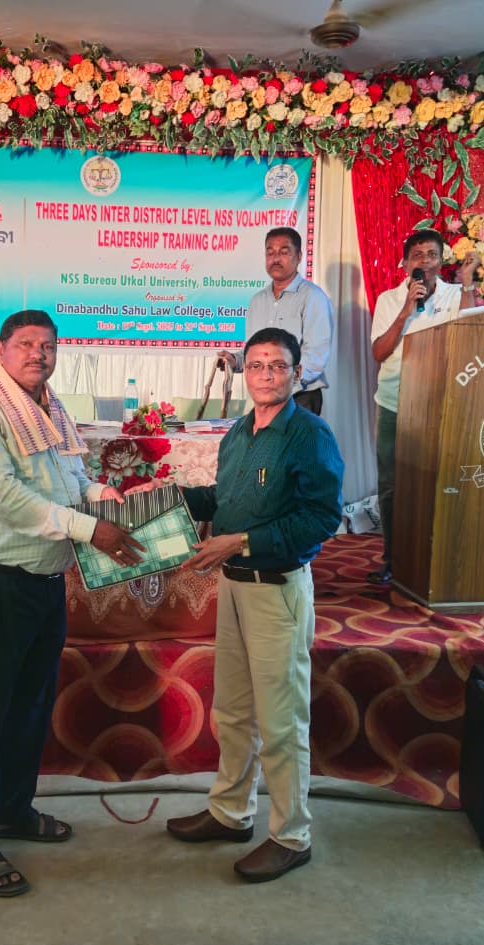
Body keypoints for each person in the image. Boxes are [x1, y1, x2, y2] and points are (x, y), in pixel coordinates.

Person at [0, 309, 144, 898]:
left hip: (44, 581)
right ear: (1, 349)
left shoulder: (49, 408)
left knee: (29, 709)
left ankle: (13, 810)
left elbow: (69, 480)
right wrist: (90, 529)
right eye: (26, 344)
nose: (38, 354)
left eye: (49, 346)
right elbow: (6, 498)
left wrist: (101, 494)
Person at [167, 326, 344, 883]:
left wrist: (240, 542)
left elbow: (322, 518)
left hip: (277, 589)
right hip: (235, 588)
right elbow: (223, 500)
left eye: (278, 365)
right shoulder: (239, 434)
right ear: (245, 371)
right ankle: (230, 811)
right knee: (234, 711)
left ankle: (291, 836)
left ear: (296, 373)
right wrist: (168, 500)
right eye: (258, 364)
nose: (266, 375)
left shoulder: (310, 435)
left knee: (282, 720)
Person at [366, 230, 478, 585]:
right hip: (394, 402)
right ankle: (393, 558)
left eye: (432, 254)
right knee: (391, 484)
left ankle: (436, 558)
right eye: (417, 255)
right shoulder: (388, 299)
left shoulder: (456, 295)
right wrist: (405, 311)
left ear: (441, 262)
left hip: (439, 404)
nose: (425, 261)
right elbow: (379, 352)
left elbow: (471, 336)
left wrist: (469, 284)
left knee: (438, 481)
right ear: (405, 263)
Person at [217, 227, 335, 415]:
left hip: (299, 397)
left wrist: (282, 382)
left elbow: (315, 356)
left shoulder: (313, 297)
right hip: (264, 396)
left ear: (299, 256)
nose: (276, 259)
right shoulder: (258, 300)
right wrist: (235, 361)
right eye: (270, 253)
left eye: (284, 252)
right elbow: (252, 351)